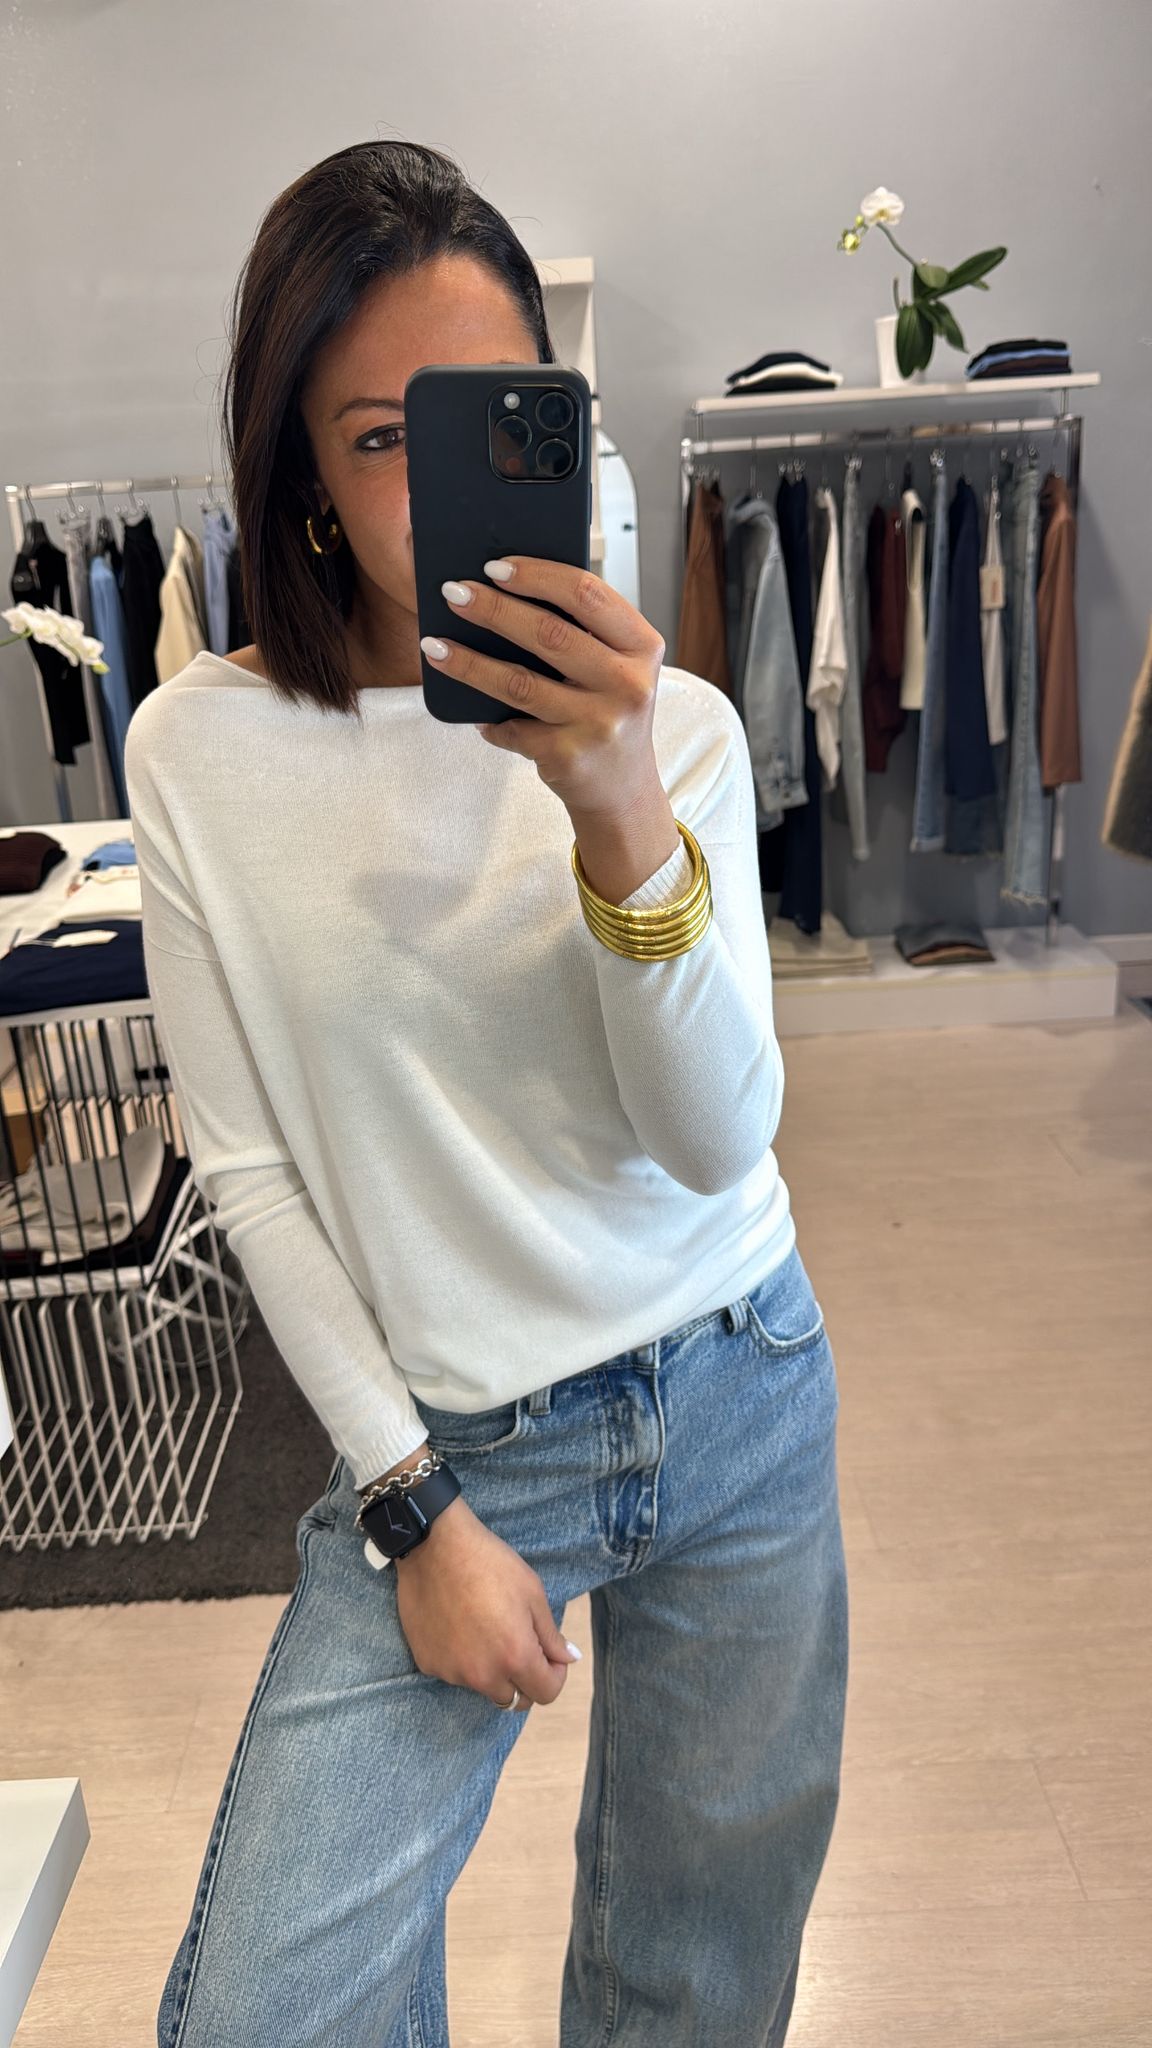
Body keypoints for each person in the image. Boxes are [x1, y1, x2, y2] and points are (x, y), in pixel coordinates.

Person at [126, 138, 849, 2048]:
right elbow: (252, 1171)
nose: (437, 487)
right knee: (269, 2014)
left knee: (698, 1977)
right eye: (381, 439)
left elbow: (717, 1140)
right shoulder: (197, 754)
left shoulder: (674, 729)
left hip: (740, 1378)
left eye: (489, 422)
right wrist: (412, 1509)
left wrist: (614, 808)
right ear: (297, 468)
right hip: (457, 1437)